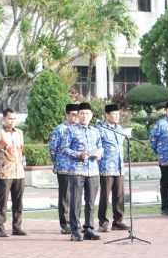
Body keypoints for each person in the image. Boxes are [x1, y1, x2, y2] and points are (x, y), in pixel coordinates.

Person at [61, 102, 103, 241]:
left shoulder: (96, 131)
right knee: (76, 201)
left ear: (91, 115)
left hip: (93, 171)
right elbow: (64, 149)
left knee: (90, 202)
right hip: (77, 170)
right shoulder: (71, 130)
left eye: (87, 114)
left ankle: (89, 229)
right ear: (77, 115)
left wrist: (99, 153)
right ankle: (74, 230)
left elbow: (101, 147)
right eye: (82, 114)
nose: (85, 116)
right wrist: (79, 154)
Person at [0, 108, 26, 237]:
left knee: (18, 201)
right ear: (4, 119)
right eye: (10, 118)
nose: (12, 121)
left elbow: (21, 151)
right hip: (4, 173)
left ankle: (17, 226)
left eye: (14, 119)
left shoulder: (19, 133)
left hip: (19, 172)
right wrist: (0, 163)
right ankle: (0, 227)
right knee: (2, 201)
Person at [98, 104, 129, 232]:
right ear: (107, 115)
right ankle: (103, 222)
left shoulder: (120, 128)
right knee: (105, 196)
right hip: (106, 167)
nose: (117, 117)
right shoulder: (100, 129)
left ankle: (118, 221)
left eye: (118, 114)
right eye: (114, 114)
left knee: (119, 195)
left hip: (119, 167)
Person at [49, 104, 79, 234]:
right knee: (65, 197)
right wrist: (57, 163)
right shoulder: (60, 130)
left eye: (77, 114)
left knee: (76, 196)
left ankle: (75, 223)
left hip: (78, 168)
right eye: (73, 114)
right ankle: (65, 224)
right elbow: (52, 149)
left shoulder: (80, 129)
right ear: (67, 115)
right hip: (64, 168)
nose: (76, 117)